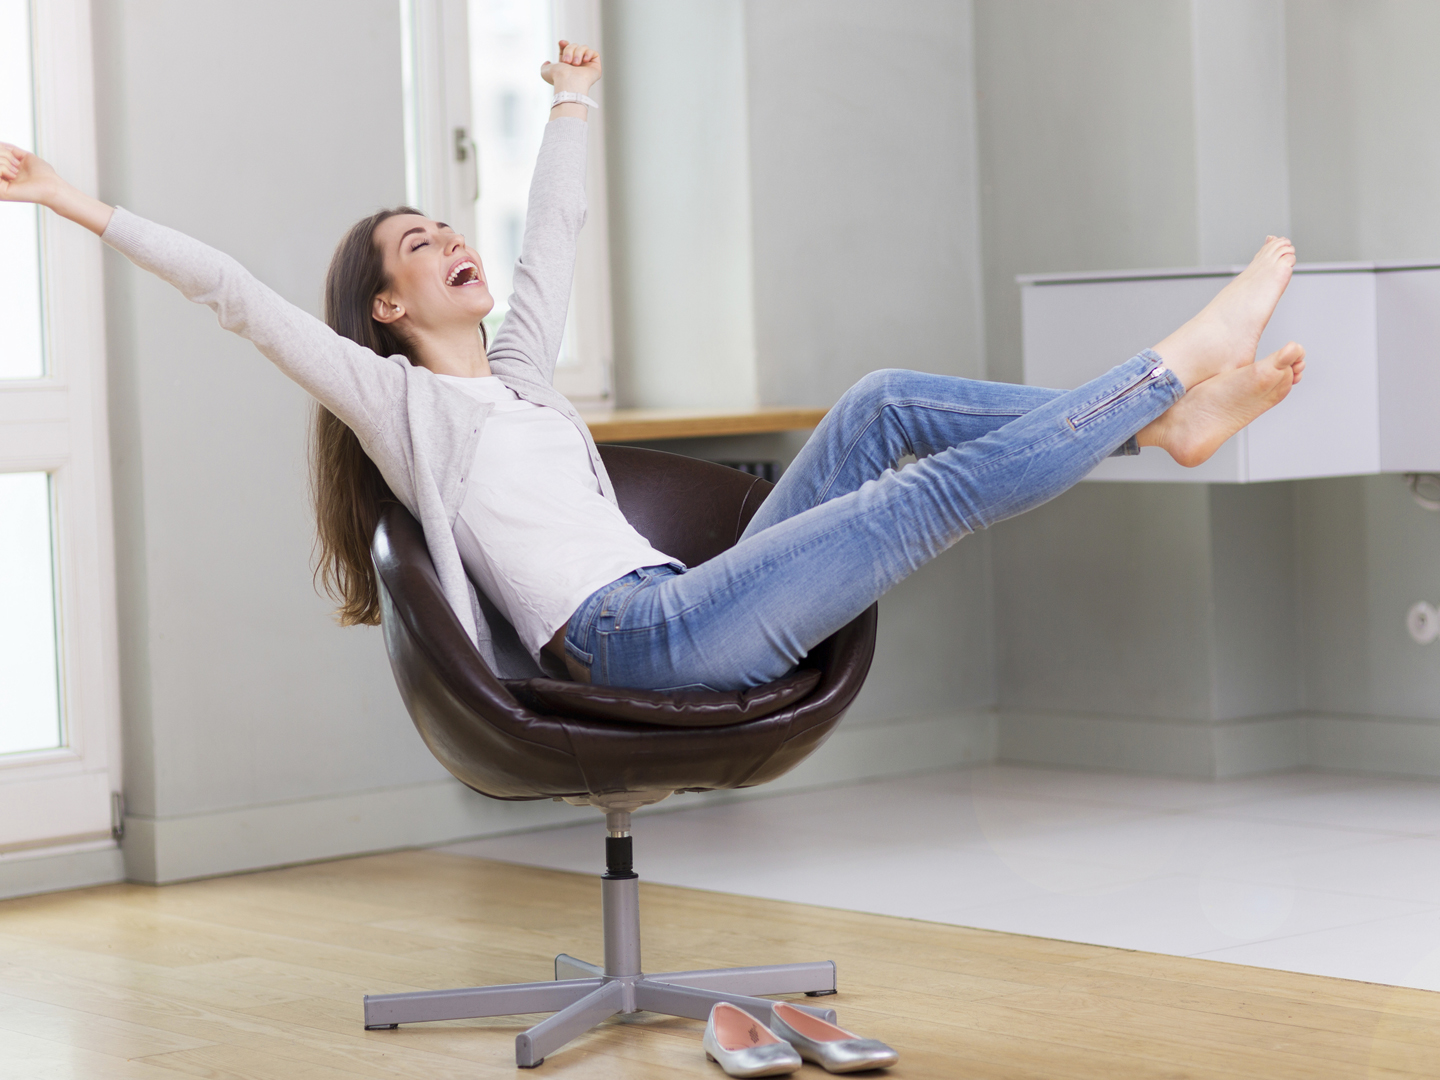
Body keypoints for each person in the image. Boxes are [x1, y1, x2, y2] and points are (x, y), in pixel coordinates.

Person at [0, 41, 1305, 695]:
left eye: (447, 225)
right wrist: (72, 200)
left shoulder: (516, 373)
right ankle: (1165, 381)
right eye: (419, 244)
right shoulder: (398, 404)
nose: (453, 240)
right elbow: (233, 296)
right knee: (911, 495)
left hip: (686, 593)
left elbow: (552, 232)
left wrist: (569, 98)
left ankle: (1166, 427)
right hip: (639, 643)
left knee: (883, 405)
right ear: (386, 307)